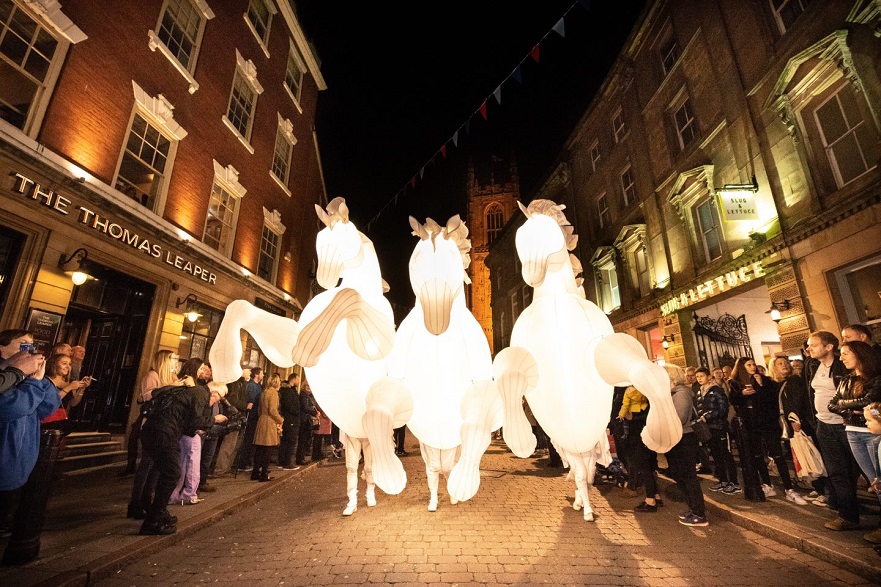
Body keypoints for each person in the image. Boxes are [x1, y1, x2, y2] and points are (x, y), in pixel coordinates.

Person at [0, 330, 59, 545]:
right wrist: (32, 385)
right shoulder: (5, 375)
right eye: (22, 345)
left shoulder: (29, 376)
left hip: (24, 460)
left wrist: (40, 380)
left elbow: (48, 407)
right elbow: (11, 408)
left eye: (31, 346)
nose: (29, 350)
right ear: (3, 349)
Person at [804, 331, 860, 531]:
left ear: (828, 347)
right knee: (836, 471)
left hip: (845, 425)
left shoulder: (842, 365)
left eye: (813, 345)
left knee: (858, 470)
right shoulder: (811, 365)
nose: (808, 348)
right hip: (823, 425)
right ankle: (847, 515)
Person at [730, 357, 806, 504]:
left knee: (777, 455)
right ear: (741, 367)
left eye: (753, 364)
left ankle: (788, 488)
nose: (752, 367)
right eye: (749, 365)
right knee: (758, 456)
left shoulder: (767, 381)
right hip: (750, 425)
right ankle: (767, 484)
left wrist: (761, 386)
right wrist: (742, 394)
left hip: (768, 423)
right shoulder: (735, 383)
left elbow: (772, 401)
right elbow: (734, 401)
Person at [828, 340, 881, 541]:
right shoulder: (846, 380)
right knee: (873, 480)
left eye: (845, 353)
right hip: (852, 431)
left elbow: (869, 402)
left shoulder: (876, 378)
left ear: (860, 355)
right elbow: (832, 405)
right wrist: (851, 406)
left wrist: (846, 405)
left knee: (880, 479)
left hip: (872, 433)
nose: (841, 358)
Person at [127, 350, 179, 519]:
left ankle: (148, 499)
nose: (175, 362)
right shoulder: (152, 376)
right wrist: (170, 388)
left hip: (166, 426)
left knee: (157, 467)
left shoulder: (172, 378)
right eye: (173, 359)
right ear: (164, 360)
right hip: (152, 425)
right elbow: (148, 396)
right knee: (146, 465)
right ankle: (136, 503)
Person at [771, 356, 827, 502]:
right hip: (791, 425)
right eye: (779, 363)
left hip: (801, 424)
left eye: (785, 362)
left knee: (811, 453)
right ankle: (818, 487)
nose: (784, 365)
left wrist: (795, 419)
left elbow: (797, 401)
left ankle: (824, 491)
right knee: (804, 455)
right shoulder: (780, 384)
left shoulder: (794, 381)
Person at [664, 364, 709, 527]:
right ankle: (693, 508)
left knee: (688, 476)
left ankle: (699, 513)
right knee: (679, 473)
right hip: (678, 437)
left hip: (685, 438)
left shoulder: (681, 394)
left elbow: (680, 418)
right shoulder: (674, 393)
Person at [167, 358, 212, 506]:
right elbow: (194, 412)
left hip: (180, 429)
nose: (202, 371)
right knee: (191, 463)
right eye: (201, 368)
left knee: (181, 463)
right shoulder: (193, 389)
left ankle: (173, 495)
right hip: (189, 431)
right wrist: (206, 423)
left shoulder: (185, 385)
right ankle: (189, 494)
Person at [695, 367, 740, 494]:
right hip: (709, 429)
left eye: (702, 376)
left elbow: (723, 408)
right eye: (697, 377)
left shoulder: (716, 390)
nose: (699, 379)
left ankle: (734, 482)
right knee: (716, 455)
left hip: (719, 427)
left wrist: (708, 416)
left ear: (709, 377)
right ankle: (723, 480)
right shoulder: (700, 392)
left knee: (725, 455)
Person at [619, 385, 662, 508]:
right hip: (641, 435)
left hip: (641, 435)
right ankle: (655, 495)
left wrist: (633, 417)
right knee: (648, 466)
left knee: (645, 467)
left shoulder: (645, 396)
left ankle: (650, 500)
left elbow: (648, 414)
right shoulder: (643, 393)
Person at [42, 353, 91, 433]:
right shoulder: (45, 381)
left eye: (69, 364)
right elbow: (50, 401)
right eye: (64, 363)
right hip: (47, 419)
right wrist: (68, 388)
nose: (68, 367)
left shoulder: (69, 382)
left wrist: (82, 388)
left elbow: (73, 403)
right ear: (54, 365)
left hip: (61, 420)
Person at [214, 368, 249, 476]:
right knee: (229, 444)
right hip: (233, 416)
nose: (250, 372)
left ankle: (227, 467)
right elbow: (232, 400)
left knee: (235, 445)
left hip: (240, 416)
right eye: (248, 370)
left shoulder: (241, 383)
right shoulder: (234, 383)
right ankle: (220, 469)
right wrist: (245, 405)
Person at [252, 373, 283, 482]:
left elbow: (260, 409)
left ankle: (255, 472)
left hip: (261, 420)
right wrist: (280, 419)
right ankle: (264, 474)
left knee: (259, 449)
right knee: (268, 449)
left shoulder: (264, 392)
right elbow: (273, 411)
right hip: (269, 422)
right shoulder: (273, 393)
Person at [236, 368, 264, 471]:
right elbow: (253, 400)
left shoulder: (258, 386)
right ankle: (242, 463)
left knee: (251, 440)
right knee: (247, 440)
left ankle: (248, 461)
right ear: (257, 374)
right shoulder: (252, 386)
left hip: (256, 415)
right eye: (261, 373)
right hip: (251, 416)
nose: (263, 375)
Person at [277, 372, 301, 470]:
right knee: (290, 441)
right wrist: (296, 411)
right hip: (290, 419)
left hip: (291, 419)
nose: (299, 381)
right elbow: (290, 405)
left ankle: (283, 461)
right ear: (294, 379)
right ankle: (287, 462)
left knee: (286, 441)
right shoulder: (287, 391)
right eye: (298, 379)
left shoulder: (291, 390)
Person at [296, 381, 318, 466]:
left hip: (307, 420)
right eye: (307, 385)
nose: (309, 387)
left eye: (310, 385)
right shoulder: (303, 395)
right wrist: (314, 411)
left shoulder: (307, 395)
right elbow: (305, 407)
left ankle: (302, 458)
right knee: (302, 440)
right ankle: (300, 458)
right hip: (304, 420)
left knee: (305, 440)